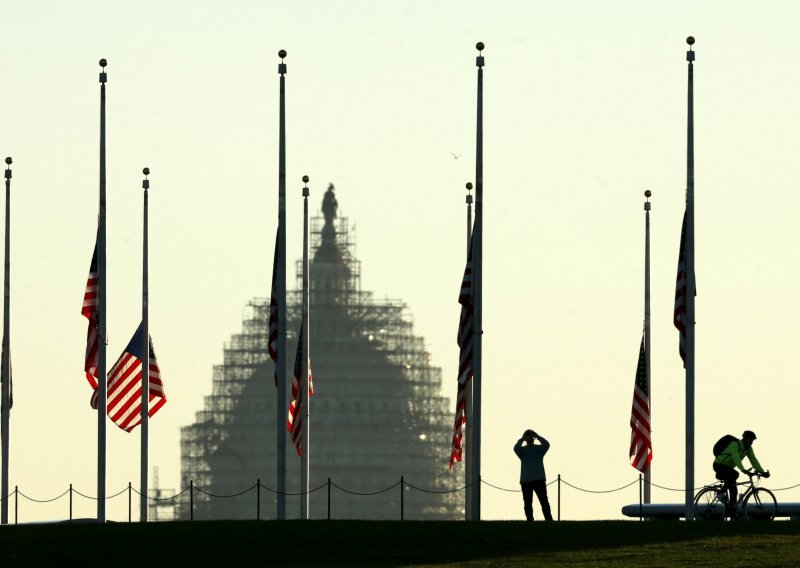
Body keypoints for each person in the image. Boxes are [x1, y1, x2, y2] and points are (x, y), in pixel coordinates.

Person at [713, 430, 770, 516]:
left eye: (752, 441)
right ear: (745, 439)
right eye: (750, 440)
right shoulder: (735, 444)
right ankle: (720, 493)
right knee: (735, 474)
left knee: (734, 489)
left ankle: (732, 511)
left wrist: (762, 472)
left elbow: (754, 460)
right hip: (719, 465)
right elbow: (736, 458)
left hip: (728, 469)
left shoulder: (748, 449)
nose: (751, 442)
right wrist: (743, 470)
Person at [514, 429, 553, 521]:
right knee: (529, 503)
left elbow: (547, 444)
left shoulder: (538, 449)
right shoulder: (523, 451)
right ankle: (531, 520)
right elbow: (515, 448)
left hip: (535, 479)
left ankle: (548, 520)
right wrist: (524, 439)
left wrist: (536, 436)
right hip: (529, 480)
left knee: (543, 501)